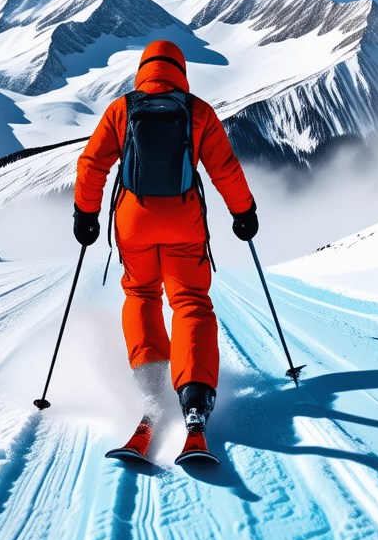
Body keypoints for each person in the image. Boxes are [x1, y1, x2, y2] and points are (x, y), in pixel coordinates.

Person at [73, 40, 257, 464]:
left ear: (143, 69)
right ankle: (193, 403)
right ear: (180, 70)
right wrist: (243, 211)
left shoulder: (122, 109)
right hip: (184, 222)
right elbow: (224, 167)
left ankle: (153, 391)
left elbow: (92, 165)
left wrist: (86, 214)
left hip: (133, 222)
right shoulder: (197, 111)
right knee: (190, 302)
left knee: (141, 296)